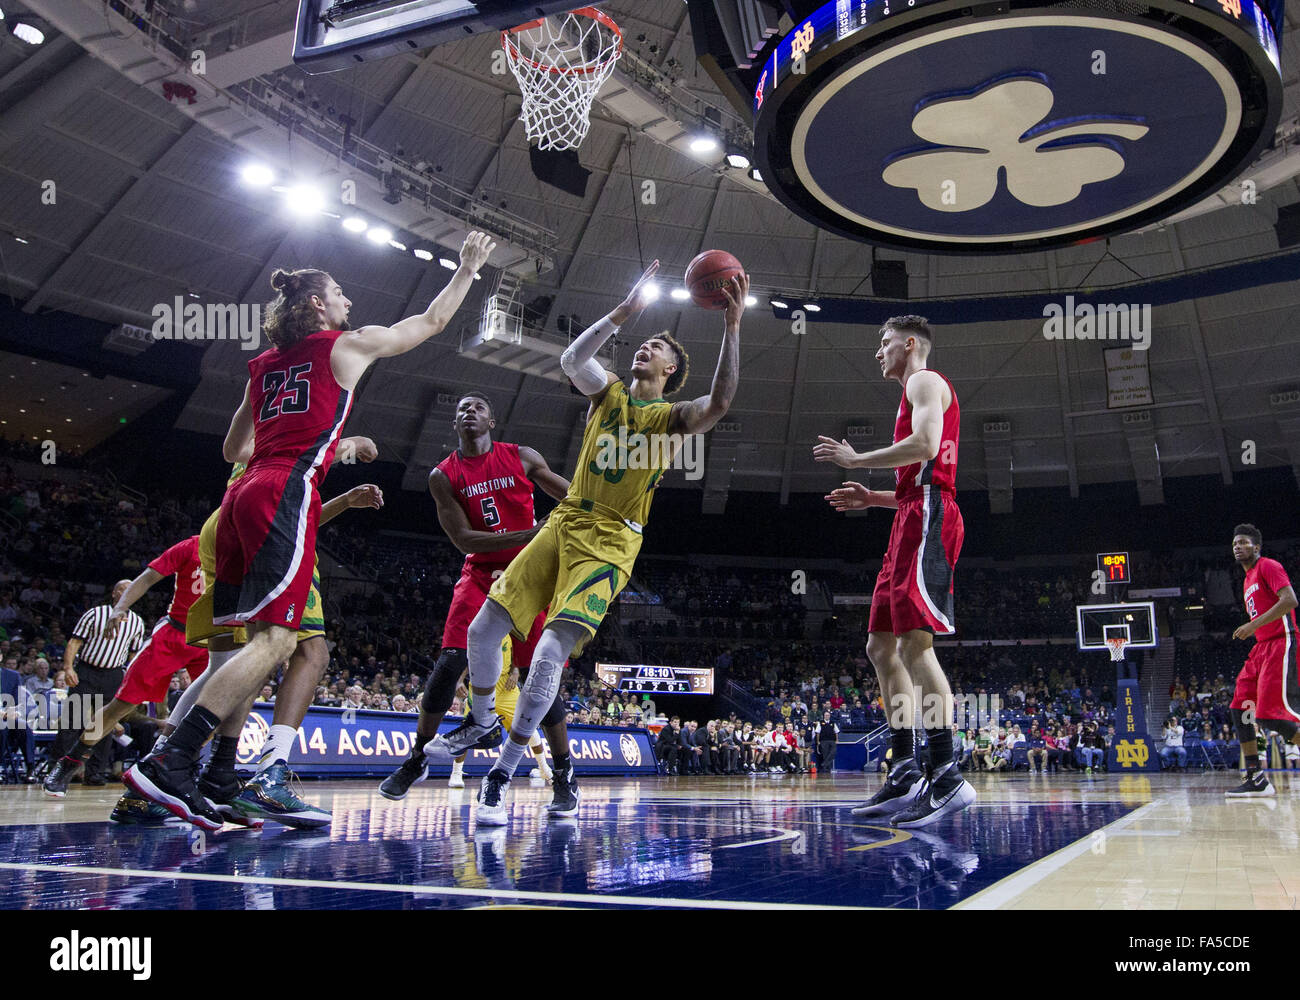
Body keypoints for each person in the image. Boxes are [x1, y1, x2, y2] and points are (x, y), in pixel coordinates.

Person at [125, 232, 496, 829]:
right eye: (341, 294)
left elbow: (233, 449)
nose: (349, 301)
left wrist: (307, 441)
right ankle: (170, 760)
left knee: (248, 648)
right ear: (319, 306)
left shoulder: (263, 367)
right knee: (277, 642)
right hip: (285, 491)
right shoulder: (345, 346)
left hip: (240, 499)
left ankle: (219, 777)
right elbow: (429, 320)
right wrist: (468, 269)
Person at [433, 260, 747, 825]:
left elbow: (719, 404)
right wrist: (624, 313)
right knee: (483, 629)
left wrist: (732, 326)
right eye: (643, 341)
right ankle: (481, 719)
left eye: (655, 346)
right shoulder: (609, 394)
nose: (644, 347)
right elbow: (571, 359)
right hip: (564, 524)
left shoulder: (671, 417)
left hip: (611, 542)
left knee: (550, 652)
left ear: (672, 368)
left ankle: (503, 772)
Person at [375, 392, 571, 804]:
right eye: (462, 408)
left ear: (492, 420)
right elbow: (463, 539)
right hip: (481, 573)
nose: (469, 412)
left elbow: (571, 498)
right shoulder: (443, 475)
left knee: (543, 679)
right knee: (449, 663)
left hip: (529, 575)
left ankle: (563, 771)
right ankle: (416, 760)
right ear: (455, 424)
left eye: (478, 407)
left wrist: (593, 506)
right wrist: (530, 533)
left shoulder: (520, 456)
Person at [821, 315, 975, 828]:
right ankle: (906, 765)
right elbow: (917, 480)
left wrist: (858, 459)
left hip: (930, 515)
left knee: (915, 645)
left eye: (884, 343)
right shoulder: (911, 389)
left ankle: (947, 774)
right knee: (880, 646)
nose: (878, 352)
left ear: (910, 345)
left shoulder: (924, 381)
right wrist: (874, 497)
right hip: (913, 511)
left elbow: (928, 448)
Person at [43, 535, 209, 798]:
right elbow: (146, 578)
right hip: (167, 637)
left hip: (211, 639)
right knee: (113, 709)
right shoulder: (192, 546)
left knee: (216, 710)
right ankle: (66, 764)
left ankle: (179, 768)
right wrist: (120, 608)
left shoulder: (243, 550)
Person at [1225, 524, 1300, 797]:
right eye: (1235, 543)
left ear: (1256, 547)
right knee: (1240, 706)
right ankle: (1256, 777)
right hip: (1261, 648)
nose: (1237, 547)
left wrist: (1252, 624)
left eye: (1243, 542)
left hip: (1282, 641)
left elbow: (1290, 600)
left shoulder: (1268, 566)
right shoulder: (1247, 579)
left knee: (1269, 715)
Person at [49, 582, 146, 788]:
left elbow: (134, 655)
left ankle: (95, 773)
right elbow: (75, 642)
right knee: (72, 723)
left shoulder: (137, 622)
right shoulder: (95, 613)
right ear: (113, 593)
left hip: (113, 675)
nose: (127, 593)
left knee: (105, 725)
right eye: (122, 589)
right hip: (86, 671)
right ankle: (55, 770)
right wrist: (68, 668)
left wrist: (131, 680)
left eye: (131, 590)